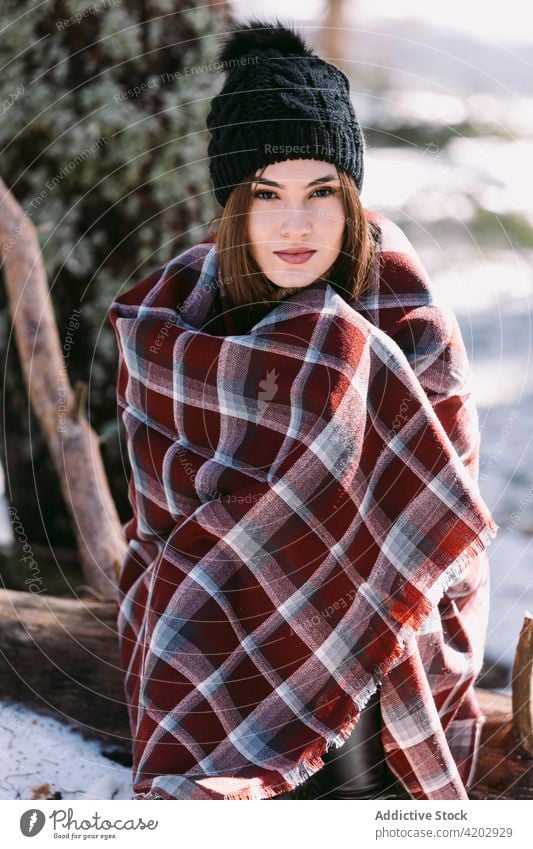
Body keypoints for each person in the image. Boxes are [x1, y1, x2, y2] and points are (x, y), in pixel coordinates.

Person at [108, 18, 498, 801]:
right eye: (268, 195)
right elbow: (161, 533)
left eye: (321, 192)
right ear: (232, 206)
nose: (296, 223)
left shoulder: (407, 324)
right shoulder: (169, 332)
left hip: (375, 656)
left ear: (350, 199)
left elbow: (442, 543)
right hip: (210, 641)